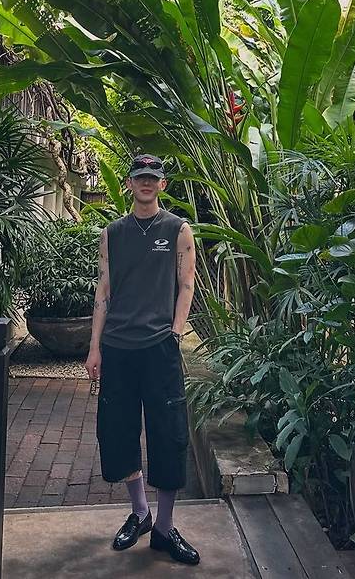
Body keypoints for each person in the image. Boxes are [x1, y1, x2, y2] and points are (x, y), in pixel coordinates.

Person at [85, 154, 200, 566]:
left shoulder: (178, 229)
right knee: (117, 432)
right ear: (130, 184)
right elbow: (103, 291)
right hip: (117, 347)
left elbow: (186, 285)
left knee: (169, 433)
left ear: (162, 184)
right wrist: (94, 346)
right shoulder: (112, 234)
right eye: (140, 177)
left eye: (153, 177)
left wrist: (175, 332)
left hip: (159, 348)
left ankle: (165, 529)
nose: (146, 183)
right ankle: (140, 513)